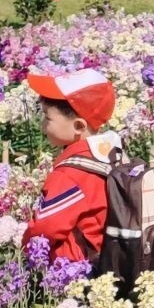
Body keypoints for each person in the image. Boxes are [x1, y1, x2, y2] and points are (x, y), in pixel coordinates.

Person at [22, 68, 122, 266]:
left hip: (74, 269)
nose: (42, 125)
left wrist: (24, 249)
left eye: (47, 117)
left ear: (78, 126)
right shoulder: (112, 153)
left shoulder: (69, 174)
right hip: (107, 259)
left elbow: (46, 229)